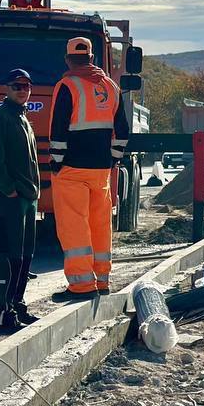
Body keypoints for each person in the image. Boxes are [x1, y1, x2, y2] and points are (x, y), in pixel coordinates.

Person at [48, 37, 128, 302]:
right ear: (92, 58)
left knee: (75, 226)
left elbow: (58, 130)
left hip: (72, 168)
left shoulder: (67, 85)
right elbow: (123, 131)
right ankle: (101, 279)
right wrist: (113, 159)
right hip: (101, 170)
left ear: (68, 59)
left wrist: (56, 161)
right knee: (100, 223)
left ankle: (81, 285)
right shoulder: (111, 86)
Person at [0, 68, 41, 333]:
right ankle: (3, 313)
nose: (22, 90)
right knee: (9, 255)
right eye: (17, 86)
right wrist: (8, 189)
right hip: (10, 199)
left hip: (28, 198)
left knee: (25, 256)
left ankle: (17, 305)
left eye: (26, 86)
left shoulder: (23, 118)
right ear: (7, 88)